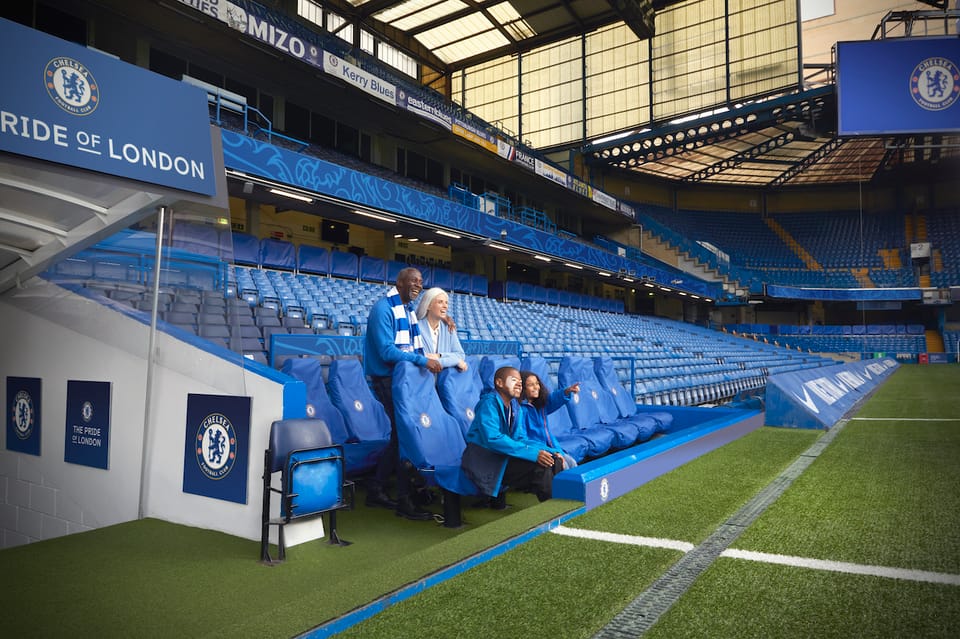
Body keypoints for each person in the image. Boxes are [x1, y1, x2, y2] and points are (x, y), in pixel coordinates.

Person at [363, 267, 443, 520]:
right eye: (413, 281)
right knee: (404, 435)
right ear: (399, 282)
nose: (418, 285)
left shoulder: (408, 311)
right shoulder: (383, 310)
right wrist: (422, 362)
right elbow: (387, 352)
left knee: (402, 435)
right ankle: (403, 499)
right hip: (387, 380)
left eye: (421, 282)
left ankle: (378, 488)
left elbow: (420, 338)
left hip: (405, 381)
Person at [461, 366, 562, 507]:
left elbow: (520, 438)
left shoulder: (515, 407)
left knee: (554, 459)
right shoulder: (488, 404)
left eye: (521, 382)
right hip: (484, 460)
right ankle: (554, 510)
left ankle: (565, 505)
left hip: (503, 456)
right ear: (499, 383)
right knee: (542, 466)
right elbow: (493, 439)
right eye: (514, 380)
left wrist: (551, 451)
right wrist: (534, 454)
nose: (519, 384)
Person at [518, 371, 580, 471]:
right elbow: (523, 439)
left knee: (572, 463)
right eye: (530, 385)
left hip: (552, 447)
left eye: (537, 383)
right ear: (522, 388)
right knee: (564, 467)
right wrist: (551, 451)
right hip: (538, 451)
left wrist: (566, 391)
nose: (536, 387)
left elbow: (553, 400)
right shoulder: (520, 410)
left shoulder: (540, 405)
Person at [416, 287, 468, 372]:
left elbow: (460, 355)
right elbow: (420, 357)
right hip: (423, 380)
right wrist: (454, 360)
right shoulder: (416, 327)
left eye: (446, 303)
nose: (445, 306)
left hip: (443, 382)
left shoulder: (449, 328)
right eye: (440, 302)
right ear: (428, 306)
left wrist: (439, 356)